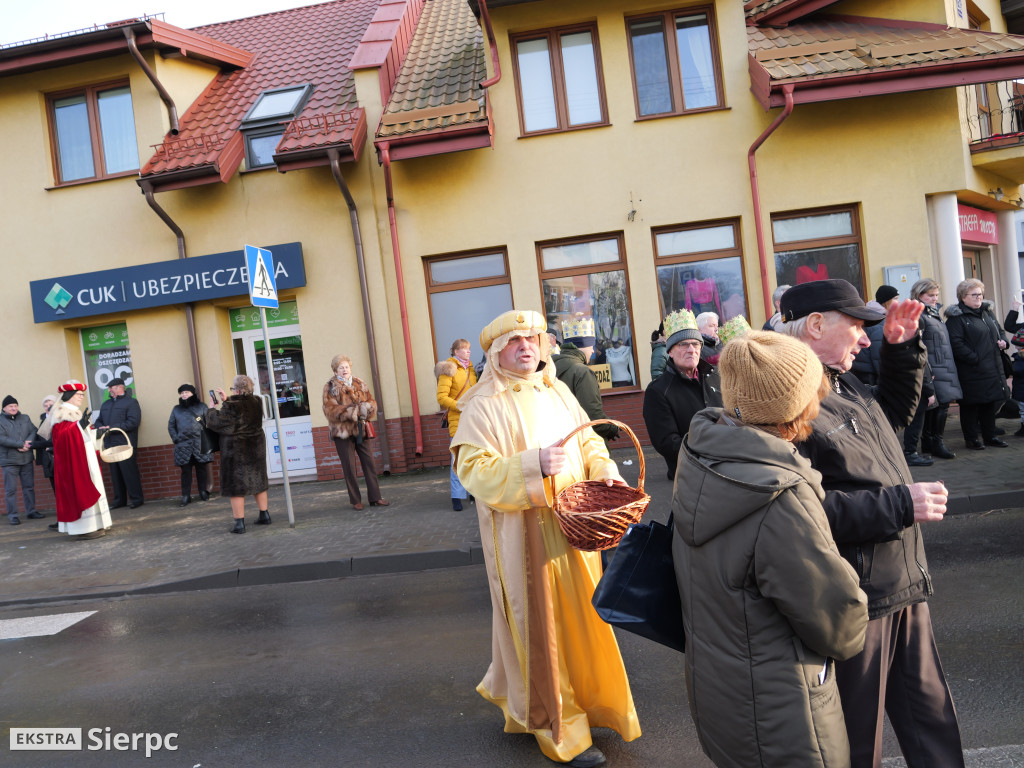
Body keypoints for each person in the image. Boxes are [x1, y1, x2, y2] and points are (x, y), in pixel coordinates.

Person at [778, 279, 965, 768]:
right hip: (857, 597)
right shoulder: (786, 402)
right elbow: (802, 511)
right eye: (857, 327)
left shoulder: (840, 379)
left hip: (900, 582)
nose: (866, 339)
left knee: (932, 722)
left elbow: (889, 424)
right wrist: (901, 504)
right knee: (859, 741)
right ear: (815, 326)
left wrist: (902, 352)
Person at [452, 309, 640, 768]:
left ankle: (589, 705)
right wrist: (531, 464)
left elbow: (590, 441)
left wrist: (606, 471)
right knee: (542, 628)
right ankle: (562, 730)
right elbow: (472, 470)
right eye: (514, 341)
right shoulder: (481, 404)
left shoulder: (557, 390)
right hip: (525, 537)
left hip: (574, 531)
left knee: (583, 621)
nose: (526, 347)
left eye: (532, 339)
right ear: (496, 352)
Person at [673, 331, 868, 768]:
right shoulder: (780, 496)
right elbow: (841, 623)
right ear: (793, 407)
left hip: (723, 698)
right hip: (784, 713)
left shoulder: (701, 455)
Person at [643, 308, 723, 480]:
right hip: (691, 475)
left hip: (728, 468)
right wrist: (712, 450)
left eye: (695, 344)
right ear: (670, 351)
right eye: (683, 344)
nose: (691, 350)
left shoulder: (717, 376)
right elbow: (667, 443)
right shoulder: (657, 391)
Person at [944, 278, 1011, 450]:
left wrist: (1004, 342)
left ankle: (990, 436)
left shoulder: (987, 313)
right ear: (963, 296)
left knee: (989, 404)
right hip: (971, 370)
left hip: (992, 367)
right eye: (974, 295)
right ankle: (972, 439)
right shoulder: (957, 318)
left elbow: (1000, 331)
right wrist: (975, 358)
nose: (978, 298)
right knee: (971, 406)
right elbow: (956, 343)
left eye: (980, 294)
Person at [322, 355, 388, 511]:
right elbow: (329, 410)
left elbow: (372, 402)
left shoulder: (360, 383)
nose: (345, 370)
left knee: (369, 463)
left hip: (361, 429)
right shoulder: (330, 386)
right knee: (349, 467)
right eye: (341, 367)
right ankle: (355, 500)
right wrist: (351, 412)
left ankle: (375, 497)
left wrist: (367, 409)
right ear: (335, 370)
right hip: (343, 432)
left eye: (346, 367)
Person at [206, 375, 270, 533]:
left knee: (235, 486)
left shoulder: (232, 406)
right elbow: (242, 413)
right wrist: (227, 399)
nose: (232, 391)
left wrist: (211, 408)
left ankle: (239, 523)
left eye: (233, 388)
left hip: (236, 450)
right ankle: (264, 515)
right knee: (258, 481)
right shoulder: (257, 401)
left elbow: (218, 423)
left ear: (238, 390)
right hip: (256, 447)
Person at [50, 380, 112, 540]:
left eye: (82, 395)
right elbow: (60, 438)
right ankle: (83, 528)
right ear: (69, 395)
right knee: (80, 488)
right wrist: (78, 426)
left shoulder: (77, 412)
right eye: (79, 394)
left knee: (92, 484)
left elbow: (85, 435)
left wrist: (98, 433)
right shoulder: (60, 413)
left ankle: (97, 524)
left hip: (86, 457)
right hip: (73, 463)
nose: (81, 397)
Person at [906, 279, 961, 459]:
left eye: (936, 295)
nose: (935, 298)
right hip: (934, 368)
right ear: (919, 295)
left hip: (943, 366)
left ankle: (931, 442)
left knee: (939, 406)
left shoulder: (932, 313)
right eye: (930, 295)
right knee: (938, 406)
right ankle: (934, 442)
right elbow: (918, 345)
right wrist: (928, 370)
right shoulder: (919, 315)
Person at [553, 315, 619, 442]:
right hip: (584, 443)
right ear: (583, 345)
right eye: (591, 346)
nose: (593, 351)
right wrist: (611, 428)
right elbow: (593, 416)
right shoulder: (583, 372)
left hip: (559, 442)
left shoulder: (551, 367)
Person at [436, 339, 477, 511]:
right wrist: (460, 406)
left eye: (469, 348)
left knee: (474, 456)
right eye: (464, 349)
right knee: (458, 458)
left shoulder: (471, 368)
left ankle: (474, 492)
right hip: (458, 420)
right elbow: (441, 397)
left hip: (474, 419)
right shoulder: (449, 369)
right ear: (456, 351)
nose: (468, 351)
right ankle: (457, 496)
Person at [93, 377, 144, 509]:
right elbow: (98, 421)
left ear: (120, 387)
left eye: (111, 387)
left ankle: (136, 499)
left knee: (129, 472)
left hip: (125, 444)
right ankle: (119, 501)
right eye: (109, 388)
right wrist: (101, 427)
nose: (109, 390)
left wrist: (112, 427)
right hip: (110, 444)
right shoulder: (106, 404)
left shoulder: (131, 402)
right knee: (115, 474)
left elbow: (133, 422)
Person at [167, 384, 214, 507]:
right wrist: (176, 438)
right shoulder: (176, 409)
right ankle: (185, 496)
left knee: (201, 469)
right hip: (183, 444)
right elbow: (171, 425)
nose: (184, 395)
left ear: (192, 393)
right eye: (182, 393)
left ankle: (203, 492)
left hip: (199, 443)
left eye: (186, 392)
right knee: (185, 471)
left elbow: (208, 423)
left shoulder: (202, 406)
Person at [1, 395, 44, 525]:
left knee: (29, 487)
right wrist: (21, 444)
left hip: (26, 458)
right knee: (11, 490)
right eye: (10, 406)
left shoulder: (25, 418)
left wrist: (28, 443)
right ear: (4, 408)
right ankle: (13, 515)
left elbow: (34, 431)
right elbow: (2, 438)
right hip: (10, 461)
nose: (14, 408)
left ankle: (31, 511)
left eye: (15, 406)